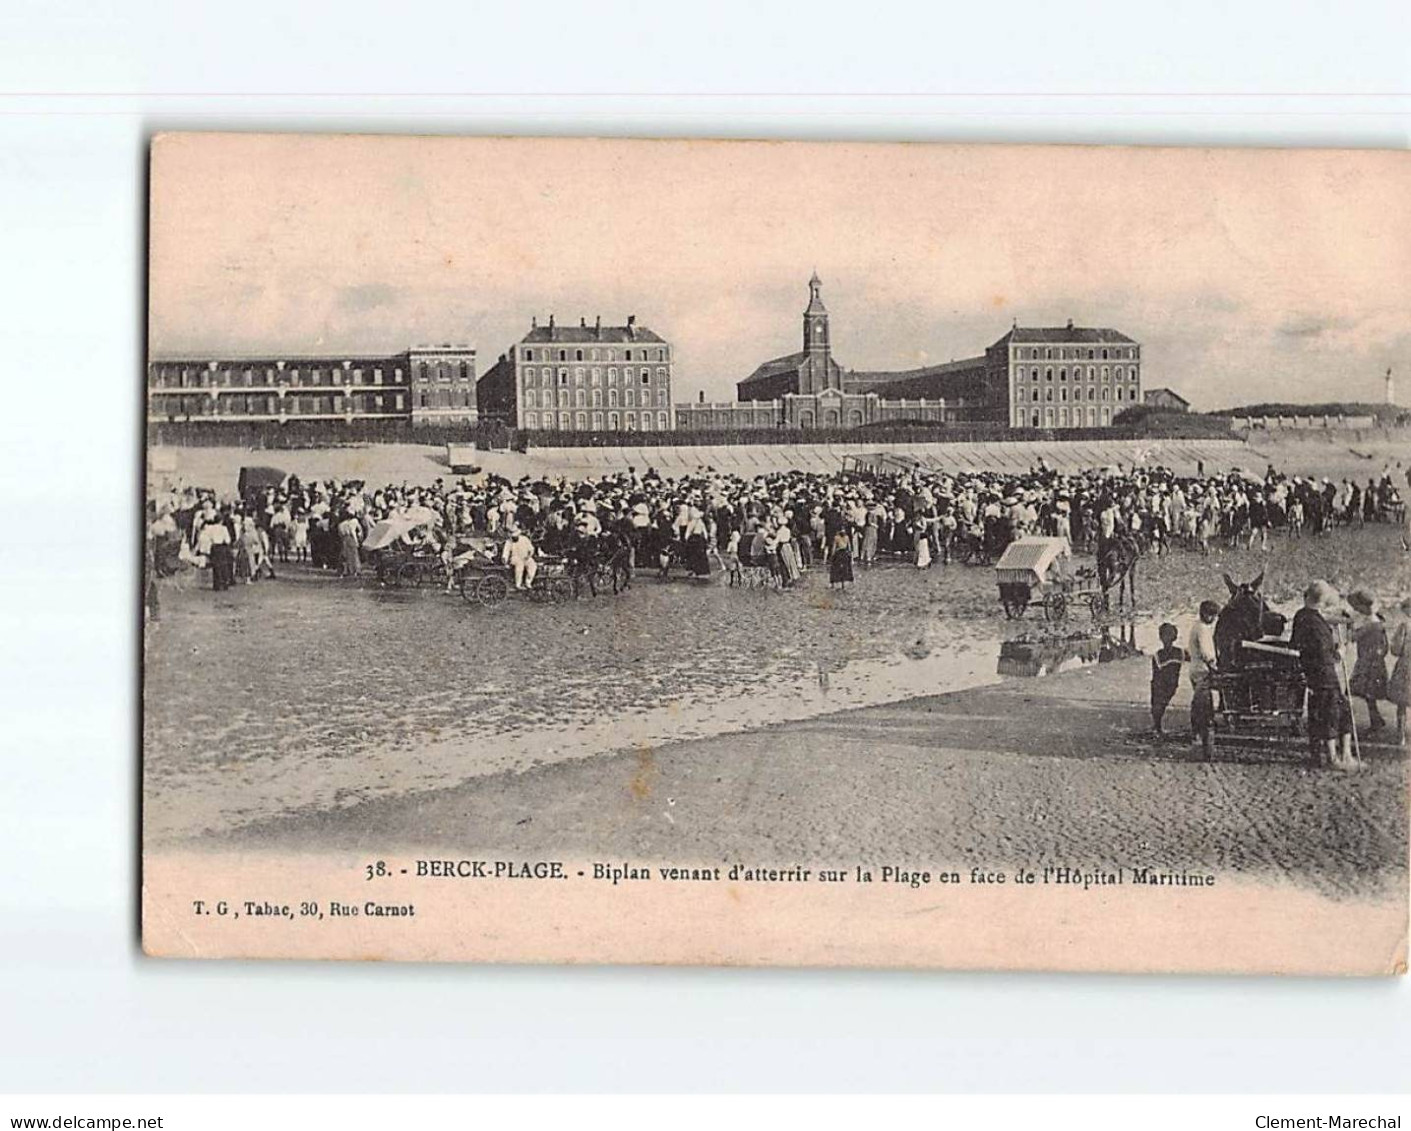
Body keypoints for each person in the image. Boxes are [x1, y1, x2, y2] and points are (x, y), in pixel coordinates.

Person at [1291, 580, 1357, 770]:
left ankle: (1345, 755)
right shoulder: (1314, 621)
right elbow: (1321, 652)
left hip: (1316, 673)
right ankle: (1334, 758)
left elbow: (1298, 644)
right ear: (1323, 600)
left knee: (1339, 709)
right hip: (1323, 673)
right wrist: (1339, 653)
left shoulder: (1303, 615)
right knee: (1332, 712)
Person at [1347, 589, 1388, 733]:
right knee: (1368, 694)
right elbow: (1385, 645)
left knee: (1360, 692)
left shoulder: (1370, 623)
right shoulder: (1378, 621)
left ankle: (1348, 724)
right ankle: (1376, 719)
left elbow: (1353, 637)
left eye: (1357, 607)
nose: (1356, 610)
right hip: (1374, 661)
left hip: (1367, 662)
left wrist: (1349, 625)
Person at [1187, 599, 1221, 757]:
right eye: (1212, 615)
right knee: (1205, 707)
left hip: (1195, 668)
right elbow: (1206, 652)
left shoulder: (1198, 626)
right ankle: (1203, 741)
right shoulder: (1202, 629)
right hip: (1202, 670)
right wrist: (1214, 666)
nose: (1214, 619)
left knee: (1201, 705)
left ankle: (1199, 737)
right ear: (1206, 614)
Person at [1150, 622, 1186, 738]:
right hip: (1164, 683)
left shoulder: (1161, 655)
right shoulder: (1178, 653)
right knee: (1159, 705)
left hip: (1166, 683)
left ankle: (1157, 727)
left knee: (1159, 705)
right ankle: (1157, 727)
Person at [1387, 595, 1411, 746]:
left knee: (1402, 703)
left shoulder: (1405, 626)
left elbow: (1396, 649)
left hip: (1406, 666)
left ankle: (1400, 736)